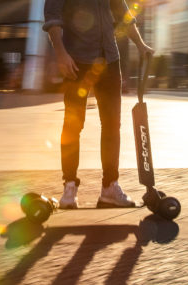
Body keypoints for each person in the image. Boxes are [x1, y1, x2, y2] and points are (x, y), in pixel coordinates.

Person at [44, 0, 154, 208]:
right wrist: (60, 54)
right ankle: (69, 187)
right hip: (76, 61)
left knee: (112, 125)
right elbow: (53, 17)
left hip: (109, 61)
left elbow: (123, 14)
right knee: (73, 125)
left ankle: (110, 187)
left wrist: (140, 44)